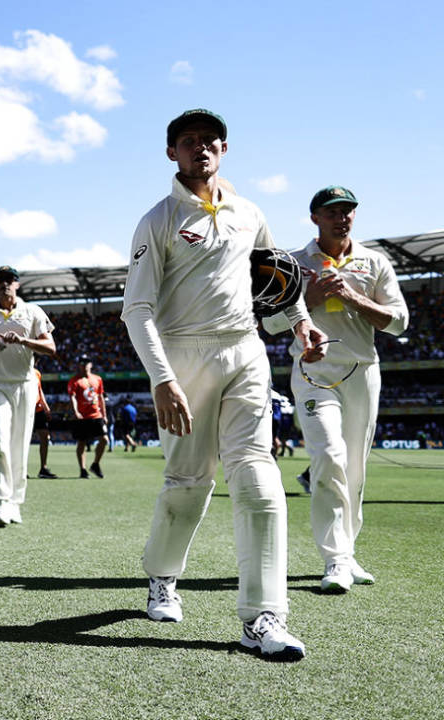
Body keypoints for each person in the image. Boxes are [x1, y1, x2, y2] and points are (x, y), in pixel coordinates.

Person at [121, 109, 325, 661]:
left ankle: (264, 617)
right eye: (189, 142)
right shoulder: (157, 220)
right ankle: (162, 577)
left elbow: (277, 278)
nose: (200, 148)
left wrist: (301, 324)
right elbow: (136, 309)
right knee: (188, 484)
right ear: (172, 154)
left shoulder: (248, 212)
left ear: (225, 149)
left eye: (210, 141)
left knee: (258, 476)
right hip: (184, 355)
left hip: (245, 350)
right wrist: (162, 379)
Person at [263, 186, 408, 593]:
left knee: (355, 469)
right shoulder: (294, 262)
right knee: (328, 456)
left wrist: (352, 297)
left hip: (363, 371)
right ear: (315, 218)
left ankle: (347, 550)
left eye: (347, 211)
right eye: (332, 211)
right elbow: (271, 324)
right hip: (314, 371)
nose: (340, 217)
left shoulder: (373, 262)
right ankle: (335, 559)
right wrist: (308, 297)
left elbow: (398, 322)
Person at [0, 265, 57, 527]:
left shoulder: (32, 311)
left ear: (17, 284)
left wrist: (23, 341)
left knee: (19, 446)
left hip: (25, 385)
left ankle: (16, 502)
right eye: (0, 280)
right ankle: (1, 502)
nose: (5, 284)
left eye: (9, 280)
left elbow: (51, 347)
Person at [68, 355, 108, 478]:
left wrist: (104, 415)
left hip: (97, 415)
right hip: (82, 417)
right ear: (79, 365)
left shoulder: (98, 379)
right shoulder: (74, 381)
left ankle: (95, 464)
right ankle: (83, 469)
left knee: (105, 439)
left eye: (87, 362)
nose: (84, 364)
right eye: (82, 362)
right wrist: (76, 412)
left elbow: (101, 397)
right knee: (82, 443)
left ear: (90, 364)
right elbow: (73, 397)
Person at [33, 368, 57, 478]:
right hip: (24, 410)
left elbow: (39, 389)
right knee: (22, 440)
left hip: (38, 410)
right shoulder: (19, 370)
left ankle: (43, 468)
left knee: (45, 437)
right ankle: (20, 470)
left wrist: (46, 406)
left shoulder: (37, 373)